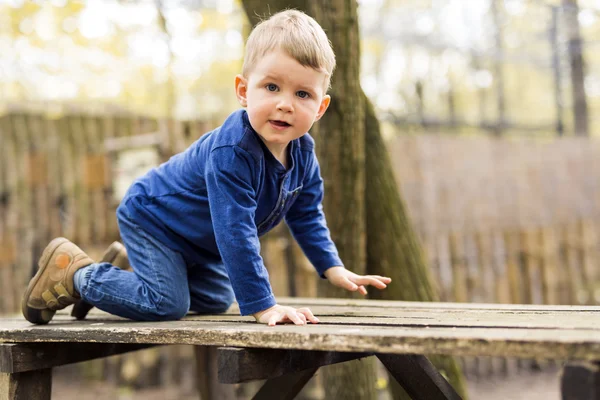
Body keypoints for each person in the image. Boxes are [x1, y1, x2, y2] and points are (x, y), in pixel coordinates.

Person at [22, 9, 391, 327]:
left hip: (196, 245)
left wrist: (333, 268)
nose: (285, 104)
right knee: (167, 304)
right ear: (244, 91)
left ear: (320, 108)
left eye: (302, 94)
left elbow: (307, 214)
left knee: (218, 299)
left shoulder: (303, 156)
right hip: (154, 218)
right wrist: (263, 306)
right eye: (272, 87)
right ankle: (75, 272)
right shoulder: (233, 151)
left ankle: (126, 274)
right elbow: (235, 232)